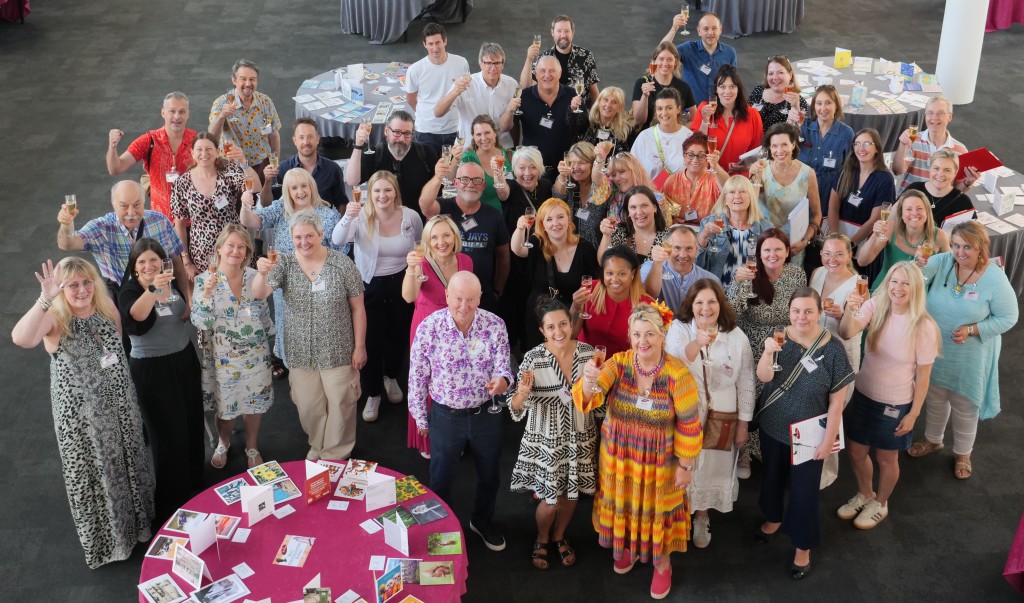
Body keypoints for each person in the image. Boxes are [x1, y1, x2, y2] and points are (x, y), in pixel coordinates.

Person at [12, 257, 155, 568]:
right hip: (84, 421)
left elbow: (117, 345)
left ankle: (139, 527)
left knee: (129, 461)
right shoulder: (54, 318)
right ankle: (111, 542)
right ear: (62, 289)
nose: (81, 290)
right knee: (98, 473)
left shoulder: (106, 307)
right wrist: (44, 299)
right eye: (72, 285)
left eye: (86, 282)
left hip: (121, 407)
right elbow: (21, 338)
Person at [574, 302, 702, 600]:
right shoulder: (618, 363)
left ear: (662, 335)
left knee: (657, 511)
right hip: (619, 458)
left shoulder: (677, 375)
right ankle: (629, 548)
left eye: (650, 334)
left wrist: (685, 465)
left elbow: (689, 424)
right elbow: (588, 400)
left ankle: (662, 563)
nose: (642, 341)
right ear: (629, 336)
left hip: (661, 463)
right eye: (636, 334)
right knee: (625, 504)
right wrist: (590, 379)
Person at [408, 271, 514, 552]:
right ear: (446, 296)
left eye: (470, 299)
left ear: (480, 297)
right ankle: (439, 530)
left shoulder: (495, 324)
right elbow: (417, 376)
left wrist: (503, 381)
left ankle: (481, 521)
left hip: (486, 413)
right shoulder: (429, 327)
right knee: (441, 476)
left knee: (490, 474)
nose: (464, 306)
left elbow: (505, 367)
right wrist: (420, 416)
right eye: (457, 299)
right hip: (445, 415)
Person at [754, 287, 854, 579]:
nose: (802, 317)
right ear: (789, 311)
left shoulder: (833, 348)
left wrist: (829, 439)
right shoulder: (778, 337)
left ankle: (802, 545)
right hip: (773, 423)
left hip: (810, 434)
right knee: (771, 476)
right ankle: (773, 518)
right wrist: (768, 352)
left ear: (820, 313)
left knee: (805, 491)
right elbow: (763, 378)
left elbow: (838, 401)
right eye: (796, 310)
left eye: (809, 311)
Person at [253, 210, 367, 462]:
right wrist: (261, 273)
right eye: (298, 237)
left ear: (321, 234)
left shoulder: (342, 264)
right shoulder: (282, 263)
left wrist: (360, 346)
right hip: (299, 352)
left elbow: (358, 307)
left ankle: (335, 454)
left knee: (341, 404)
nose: (304, 242)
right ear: (291, 237)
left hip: (338, 349)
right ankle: (318, 445)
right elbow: (259, 294)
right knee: (308, 406)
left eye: (309, 236)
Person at [912, 222, 1019, 480]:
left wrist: (973, 329)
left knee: (964, 404)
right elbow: (916, 280)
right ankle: (933, 440)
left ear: (981, 247)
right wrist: (917, 266)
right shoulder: (943, 260)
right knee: (935, 396)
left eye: (967, 247)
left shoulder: (994, 278)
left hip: (970, 356)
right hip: (936, 348)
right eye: (956, 245)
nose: (960, 252)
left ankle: (963, 454)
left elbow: (1009, 317)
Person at [838, 262, 939, 529]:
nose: (898, 288)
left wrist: (914, 413)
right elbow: (846, 332)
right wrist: (851, 309)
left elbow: (924, 376)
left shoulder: (924, 326)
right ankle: (865, 494)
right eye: (894, 281)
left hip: (895, 403)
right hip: (863, 394)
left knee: (886, 458)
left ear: (916, 288)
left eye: (906, 283)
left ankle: (880, 503)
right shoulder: (874, 306)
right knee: (856, 453)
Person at [118, 238, 203, 524]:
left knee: (191, 423)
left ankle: (195, 485)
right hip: (153, 370)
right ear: (134, 266)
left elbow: (182, 312)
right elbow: (137, 316)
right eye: (141, 262)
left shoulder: (170, 281)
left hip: (183, 359)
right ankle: (171, 504)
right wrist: (154, 288)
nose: (149, 265)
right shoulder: (131, 289)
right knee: (168, 435)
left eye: (154, 259)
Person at [509, 297, 597, 570]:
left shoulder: (588, 354)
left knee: (570, 495)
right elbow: (514, 409)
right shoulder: (533, 359)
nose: (558, 332)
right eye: (551, 327)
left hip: (581, 432)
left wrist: (596, 388)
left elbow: (599, 398)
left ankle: (559, 536)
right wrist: (522, 394)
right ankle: (542, 536)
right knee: (550, 500)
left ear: (571, 324)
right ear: (542, 331)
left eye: (563, 324)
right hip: (546, 437)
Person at [665, 278, 754, 548]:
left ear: (720, 305)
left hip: (723, 411)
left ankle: (702, 515)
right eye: (699, 302)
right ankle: (679, 514)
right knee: (683, 463)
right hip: (687, 410)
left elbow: (747, 380)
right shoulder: (679, 328)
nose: (706, 308)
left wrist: (743, 423)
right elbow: (672, 362)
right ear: (691, 305)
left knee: (715, 464)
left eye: (712, 301)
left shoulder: (736, 336)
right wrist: (696, 343)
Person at [333, 171, 422, 423]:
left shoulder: (410, 216)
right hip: (368, 286)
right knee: (371, 341)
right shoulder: (360, 216)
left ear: (395, 192)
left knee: (397, 336)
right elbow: (337, 240)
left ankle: (392, 377)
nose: (382, 196)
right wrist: (347, 217)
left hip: (401, 283)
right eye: (377, 191)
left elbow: (418, 243)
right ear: (369, 194)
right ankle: (373, 392)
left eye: (387, 190)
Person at [241, 167, 341, 376]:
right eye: (294, 187)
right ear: (287, 190)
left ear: (311, 187)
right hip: (286, 286)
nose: (300, 191)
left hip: (318, 282)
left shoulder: (328, 214)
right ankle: (297, 374)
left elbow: (337, 252)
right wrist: (245, 204)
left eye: (303, 186)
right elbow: (250, 221)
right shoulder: (280, 209)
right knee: (291, 332)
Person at [191, 225, 273, 469]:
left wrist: (271, 337)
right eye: (231, 245)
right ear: (219, 248)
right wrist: (206, 294)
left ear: (247, 251)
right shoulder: (203, 280)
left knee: (254, 404)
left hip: (256, 353)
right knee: (226, 411)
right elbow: (201, 321)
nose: (235, 251)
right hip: (222, 357)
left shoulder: (253, 276)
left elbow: (264, 311)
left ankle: (252, 445)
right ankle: (223, 441)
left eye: (241, 247)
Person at [401, 215, 473, 458]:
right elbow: (408, 297)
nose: (441, 242)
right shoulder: (420, 263)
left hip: (457, 326)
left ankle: (453, 437)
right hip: (427, 328)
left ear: (455, 236)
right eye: (434, 237)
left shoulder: (465, 261)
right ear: (426, 241)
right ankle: (429, 441)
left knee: (454, 381)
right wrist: (411, 269)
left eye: (446, 235)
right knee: (426, 383)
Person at [57, 180, 187, 299]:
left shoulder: (160, 221)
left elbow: (177, 264)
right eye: (124, 206)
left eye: (137, 205)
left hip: (160, 296)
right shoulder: (101, 228)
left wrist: (187, 299)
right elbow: (68, 244)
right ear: (113, 204)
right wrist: (66, 224)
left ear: (143, 201)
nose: (131, 212)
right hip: (123, 302)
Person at [420, 161, 511, 312]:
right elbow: (425, 205)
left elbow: (503, 257)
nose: (470, 184)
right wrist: (438, 177)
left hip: (482, 299)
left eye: (477, 180)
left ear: (483, 185)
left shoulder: (494, 215)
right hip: (444, 300)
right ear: (455, 183)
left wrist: (497, 291)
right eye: (464, 179)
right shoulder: (442, 207)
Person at [511, 197, 600, 349]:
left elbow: (595, 284)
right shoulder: (536, 243)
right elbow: (518, 249)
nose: (556, 223)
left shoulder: (585, 248)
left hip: (571, 317)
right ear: (543, 225)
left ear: (568, 219)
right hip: (539, 317)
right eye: (549, 219)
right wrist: (520, 229)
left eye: (560, 217)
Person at [172, 132, 258, 278]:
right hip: (203, 257)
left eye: (209, 149)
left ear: (217, 152)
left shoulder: (229, 172)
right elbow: (179, 225)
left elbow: (256, 187)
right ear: (192, 153)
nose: (204, 153)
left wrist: (243, 162)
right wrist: (186, 262)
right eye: (199, 149)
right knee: (210, 297)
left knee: (241, 295)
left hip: (235, 250)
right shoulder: (181, 183)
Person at [106, 91, 197, 219]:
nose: (177, 116)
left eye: (182, 112)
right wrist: (112, 146)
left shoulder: (197, 141)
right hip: (160, 221)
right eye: (172, 111)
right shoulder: (149, 140)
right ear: (163, 113)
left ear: (188, 114)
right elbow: (115, 169)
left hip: (194, 221)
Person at [347, 110, 440, 224]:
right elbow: (352, 181)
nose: (401, 139)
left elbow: (440, 187)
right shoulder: (374, 154)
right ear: (386, 131)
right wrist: (358, 145)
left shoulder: (426, 153)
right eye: (396, 132)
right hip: (381, 223)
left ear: (412, 134)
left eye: (407, 133)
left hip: (418, 222)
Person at [750, 123, 821, 264]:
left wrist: (805, 241)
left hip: (793, 246)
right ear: (769, 148)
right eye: (774, 146)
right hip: (763, 244)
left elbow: (817, 215)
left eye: (784, 145)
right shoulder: (759, 168)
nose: (779, 150)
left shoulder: (807, 173)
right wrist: (754, 177)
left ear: (793, 145)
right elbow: (749, 207)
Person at [857, 190, 950, 290]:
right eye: (908, 209)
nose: (914, 213)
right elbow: (862, 261)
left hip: (916, 297)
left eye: (919, 209)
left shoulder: (939, 236)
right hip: (884, 292)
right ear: (901, 214)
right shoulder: (890, 229)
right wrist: (875, 236)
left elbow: (948, 270)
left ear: (927, 212)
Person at [208, 59, 281, 184]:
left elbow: (273, 134)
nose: (248, 84)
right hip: (232, 168)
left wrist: (275, 162)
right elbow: (211, 137)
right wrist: (221, 116)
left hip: (261, 165)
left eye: (252, 79)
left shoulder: (265, 102)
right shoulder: (221, 103)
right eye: (243, 79)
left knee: (263, 202)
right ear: (234, 80)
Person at [435, 42, 519, 149]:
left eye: (497, 63)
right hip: (470, 147)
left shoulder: (511, 84)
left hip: (501, 147)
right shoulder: (465, 83)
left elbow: (514, 122)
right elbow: (438, 112)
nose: (493, 68)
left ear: (502, 64)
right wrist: (455, 92)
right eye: (488, 63)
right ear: (481, 64)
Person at [575, 246, 655, 356]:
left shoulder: (646, 304)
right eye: (609, 273)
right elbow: (572, 333)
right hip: (585, 361)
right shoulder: (590, 289)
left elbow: (648, 348)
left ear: (633, 273)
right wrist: (575, 306)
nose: (615, 279)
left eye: (622, 273)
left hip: (622, 367)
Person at [696, 176, 773, 286]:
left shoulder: (766, 227)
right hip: (718, 290)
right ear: (725, 199)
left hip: (753, 289)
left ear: (751, 197)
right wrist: (703, 237)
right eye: (731, 192)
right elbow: (698, 265)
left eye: (742, 191)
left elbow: (772, 264)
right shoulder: (710, 223)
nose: (737, 196)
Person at [405, 23, 470, 153]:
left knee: (454, 170)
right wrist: (427, 115)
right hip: (426, 131)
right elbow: (411, 99)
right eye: (430, 44)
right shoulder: (415, 70)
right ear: (424, 45)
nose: (435, 48)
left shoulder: (461, 63)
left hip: (454, 128)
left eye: (438, 42)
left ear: (445, 41)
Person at [825, 128, 895, 248]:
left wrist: (851, 243)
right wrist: (836, 238)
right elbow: (833, 208)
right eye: (857, 144)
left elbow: (875, 219)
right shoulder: (845, 171)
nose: (861, 149)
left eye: (867, 144)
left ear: (877, 148)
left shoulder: (885, 179)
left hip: (864, 240)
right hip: (839, 233)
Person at [261, 117, 349, 210]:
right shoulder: (282, 169)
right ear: (295, 141)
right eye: (301, 137)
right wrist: (267, 182)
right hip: (291, 223)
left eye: (310, 137)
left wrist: (340, 224)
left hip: (324, 222)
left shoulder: (333, 169)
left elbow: (342, 203)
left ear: (318, 139)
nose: (306, 142)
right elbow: (266, 205)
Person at [691, 65, 763, 177]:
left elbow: (756, 151)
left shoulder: (752, 115)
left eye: (732, 86)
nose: (727, 91)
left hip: (739, 180)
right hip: (710, 177)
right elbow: (696, 146)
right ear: (716, 89)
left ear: (738, 89)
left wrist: (746, 165)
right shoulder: (704, 109)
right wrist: (705, 122)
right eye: (722, 87)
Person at [893, 96, 974, 194]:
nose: (934, 117)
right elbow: (898, 171)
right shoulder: (912, 140)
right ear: (925, 116)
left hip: (939, 206)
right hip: (909, 203)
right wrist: (903, 144)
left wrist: (968, 182)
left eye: (941, 113)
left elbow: (956, 192)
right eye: (930, 113)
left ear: (949, 117)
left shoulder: (960, 151)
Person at [514, 55, 576, 181]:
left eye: (552, 71)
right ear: (535, 74)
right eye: (542, 71)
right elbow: (507, 126)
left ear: (560, 73)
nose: (547, 75)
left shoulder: (571, 94)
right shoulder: (524, 96)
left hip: (564, 169)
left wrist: (576, 113)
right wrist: (509, 111)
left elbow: (583, 126)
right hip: (532, 172)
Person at [522, 14, 600, 108]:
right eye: (559, 31)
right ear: (552, 33)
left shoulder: (586, 56)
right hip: (552, 113)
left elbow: (594, 92)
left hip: (579, 115)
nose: (563, 35)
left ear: (573, 33)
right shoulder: (543, 58)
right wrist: (529, 59)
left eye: (567, 31)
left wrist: (594, 118)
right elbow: (526, 86)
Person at [800, 85, 855, 217]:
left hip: (828, 193)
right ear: (813, 106)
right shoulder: (803, 127)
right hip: (800, 189)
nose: (823, 108)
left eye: (828, 103)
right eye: (819, 103)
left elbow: (851, 169)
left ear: (836, 105)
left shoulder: (846, 133)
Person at [663, 11, 738, 100]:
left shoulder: (730, 52)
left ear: (720, 30)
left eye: (714, 28)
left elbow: (733, 83)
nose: (710, 33)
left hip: (719, 108)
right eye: (706, 29)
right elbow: (662, 52)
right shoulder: (688, 49)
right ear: (699, 31)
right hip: (692, 109)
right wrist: (674, 28)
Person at [644, 225, 719, 312]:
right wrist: (657, 263)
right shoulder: (650, 267)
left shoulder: (712, 281)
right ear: (667, 247)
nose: (683, 255)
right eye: (677, 248)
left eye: (689, 249)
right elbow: (647, 295)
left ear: (697, 250)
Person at [630, 88, 693, 186]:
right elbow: (632, 170)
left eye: (669, 108)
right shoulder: (644, 137)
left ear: (678, 109)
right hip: (650, 197)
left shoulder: (690, 138)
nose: (664, 113)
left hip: (681, 197)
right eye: (660, 108)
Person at [661, 132, 727, 223]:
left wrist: (716, 166)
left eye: (701, 156)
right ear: (684, 156)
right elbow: (661, 210)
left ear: (707, 157)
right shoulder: (672, 181)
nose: (695, 160)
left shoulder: (714, 180)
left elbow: (728, 188)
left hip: (708, 232)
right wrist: (671, 220)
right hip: (678, 232)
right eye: (691, 155)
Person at [554, 141, 609, 248]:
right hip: (569, 251)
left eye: (582, 162)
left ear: (593, 164)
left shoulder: (602, 187)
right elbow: (557, 197)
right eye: (572, 162)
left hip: (595, 254)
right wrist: (562, 176)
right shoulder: (568, 185)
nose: (576, 167)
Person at [632, 42, 697, 130]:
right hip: (647, 137)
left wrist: (679, 133)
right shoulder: (642, 83)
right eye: (661, 59)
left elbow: (694, 118)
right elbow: (639, 120)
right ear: (654, 61)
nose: (665, 63)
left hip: (672, 139)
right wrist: (644, 96)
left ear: (675, 61)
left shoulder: (683, 87)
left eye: (669, 59)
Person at [906, 148, 976, 227]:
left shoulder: (963, 201)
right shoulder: (914, 189)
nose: (940, 174)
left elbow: (972, 234)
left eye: (947, 170)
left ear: (955, 173)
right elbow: (894, 218)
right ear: (930, 169)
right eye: (936, 168)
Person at [599, 185, 669, 262]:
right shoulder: (620, 230)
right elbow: (603, 262)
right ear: (628, 212)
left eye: (644, 206)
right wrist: (606, 235)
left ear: (655, 208)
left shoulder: (669, 237)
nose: (639, 212)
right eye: (633, 207)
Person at [591, 150, 659, 227]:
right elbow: (597, 180)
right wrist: (600, 157)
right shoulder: (613, 195)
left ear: (635, 171)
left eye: (622, 172)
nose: (618, 178)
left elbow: (665, 233)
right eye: (613, 175)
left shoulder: (657, 199)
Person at [459, 115, 512, 211]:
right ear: (474, 137)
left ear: (495, 133)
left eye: (487, 133)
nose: (483, 138)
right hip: (481, 217)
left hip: (510, 218)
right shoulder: (468, 158)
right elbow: (458, 190)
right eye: (478, 134)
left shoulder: (511, 156)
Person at [748, 56, 809, 130]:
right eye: (770, 73)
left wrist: (796, 109)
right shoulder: (758, 91)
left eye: (780, 72)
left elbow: (799, 133)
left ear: (790, 75)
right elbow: (744, 117)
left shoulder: (799, 102)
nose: (775, 77)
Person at [574, 86, 636, 155]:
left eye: (614, 102)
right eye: (605, 100)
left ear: (619, 108)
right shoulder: (587, 123)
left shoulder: (627, 131)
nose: (608, 105)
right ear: (599, 102)